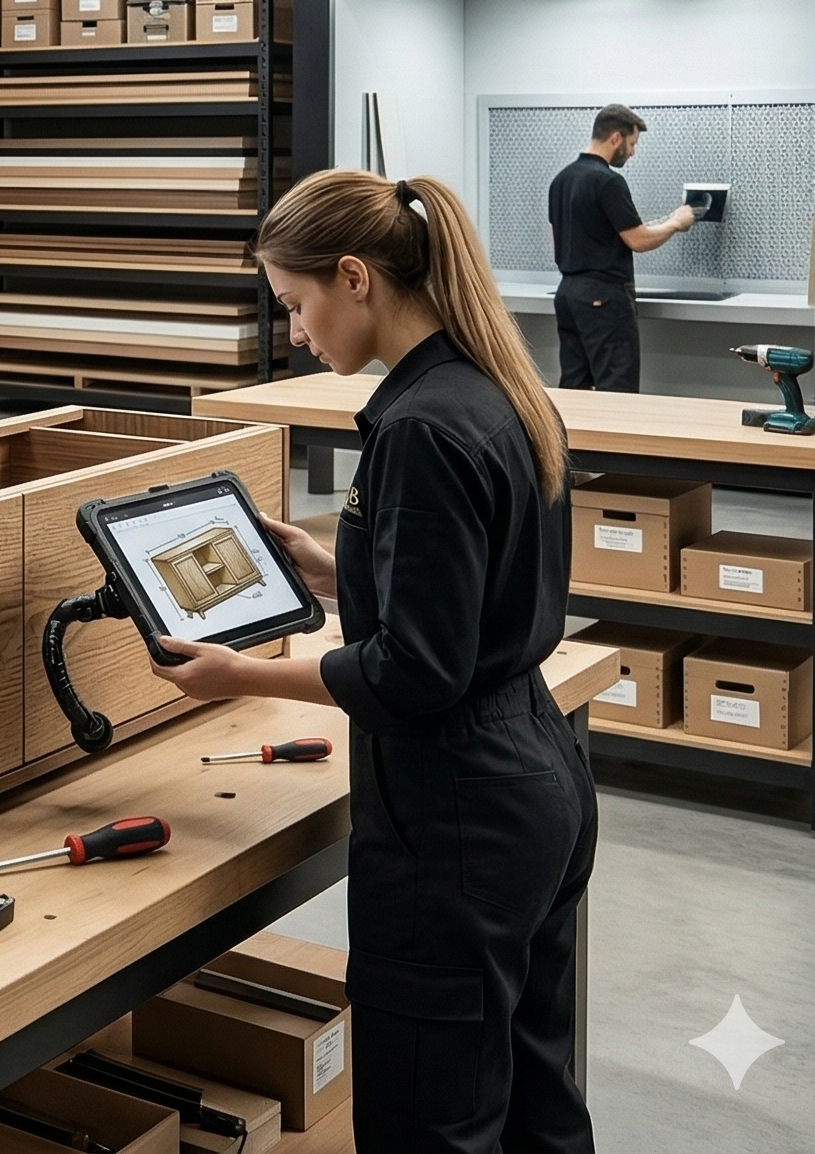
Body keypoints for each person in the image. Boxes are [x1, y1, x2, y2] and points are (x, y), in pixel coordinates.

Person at [149, 171, 594, 1154]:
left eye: (299, 306)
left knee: (430, 1123)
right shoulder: (492, 391)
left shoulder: (418, 430)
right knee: (534, 1099)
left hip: (458, 819)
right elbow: (470, 601)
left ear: (354, 278)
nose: (299, 333)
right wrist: (334, 569)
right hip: (539, 781)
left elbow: (411, 675)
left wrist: (237, 675)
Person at [546, 104, 695, 393]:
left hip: (568, 294)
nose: (632, 152)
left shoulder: (561, 180)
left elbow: (560, 237)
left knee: (574, 386)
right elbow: (637, 241)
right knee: (617, 390)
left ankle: (569, 440)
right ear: (616, 138)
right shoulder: (608, 181)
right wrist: (676, 222)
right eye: (631, 144)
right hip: (604, 298)